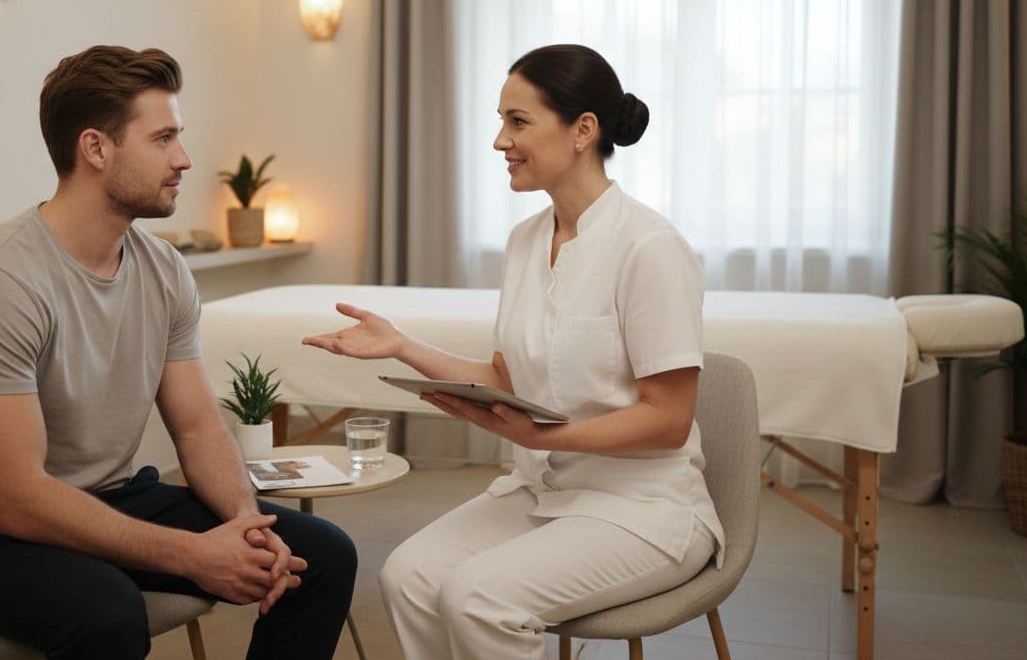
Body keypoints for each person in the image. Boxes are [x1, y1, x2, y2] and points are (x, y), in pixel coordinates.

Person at [0, 45, 356, 660]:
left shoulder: (164, 269)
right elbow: (17, 501)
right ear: (96, 148)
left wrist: (247, 525)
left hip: (110, 493)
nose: (184, 159)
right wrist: (195, 554)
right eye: (163, 139)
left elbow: (197, 428)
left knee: (321, 556)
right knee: (109, 615)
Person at [303, 44, 724, 659]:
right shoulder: (526, 242)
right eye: (501, 121)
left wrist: (543, 439)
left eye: (518, 122)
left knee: (479, 597)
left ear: (584, 130)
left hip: (644, 509)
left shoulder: (649, 247)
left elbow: (668, 420)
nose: (500, 140)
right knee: (408, 577)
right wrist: (401, 346)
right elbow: (506, 376)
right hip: (544, 492)